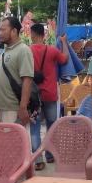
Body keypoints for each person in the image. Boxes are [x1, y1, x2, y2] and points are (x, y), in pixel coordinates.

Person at [29, 23, 68, 171]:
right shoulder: (51, 50)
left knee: (35, 128)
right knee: (52, 126)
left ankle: (38, 160)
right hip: (50, 94)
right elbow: (64, 59)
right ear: (43, 35)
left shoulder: (27, 51)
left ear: (33, 34)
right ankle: (50, 155)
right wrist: (64, 42)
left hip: (34, 97)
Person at [0, 16, 34, 128]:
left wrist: (23, 108)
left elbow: (27, 80)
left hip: (12, 110)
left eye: (3, 30)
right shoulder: (5, 51)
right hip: (1, 109)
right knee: (3, 144)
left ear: (14, 31)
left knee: (14, 144)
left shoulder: (23, 50)